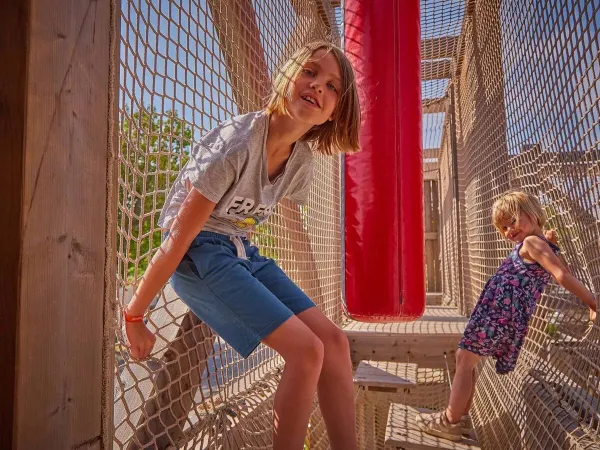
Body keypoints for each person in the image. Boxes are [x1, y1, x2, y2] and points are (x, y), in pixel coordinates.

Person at [123, 40, 361, 450]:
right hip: (198, 253)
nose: (318, 86)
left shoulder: (301, 160)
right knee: (306, 353)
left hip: (239, 250)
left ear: (336, 110)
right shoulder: (238, 143)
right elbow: (178, 238)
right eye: (309, 71)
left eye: (332, 86)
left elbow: (259, 222)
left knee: (334, 343)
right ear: (286, 75)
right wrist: (135, 316)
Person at [416, 191, 597, 442]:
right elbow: (561, 267)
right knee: (466, 359)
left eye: (512, 221)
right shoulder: (539, 243)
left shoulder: (532, 243)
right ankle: (460, 417)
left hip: (498, 313)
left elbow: (561, 275)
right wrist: (549, 240)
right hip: (501, 313)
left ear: (533, 214)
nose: (508, 230)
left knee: (465, 360)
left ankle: (450, 421)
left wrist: (592, 302)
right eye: (503, 227)